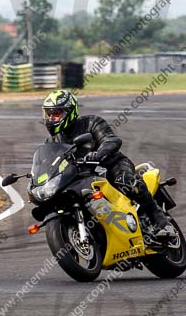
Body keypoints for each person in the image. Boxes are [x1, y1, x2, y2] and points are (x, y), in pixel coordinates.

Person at [41, 89, 175, 239]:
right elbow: (48, 163)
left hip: (111, 165)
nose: (52, 118)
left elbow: (112, 140)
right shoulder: (52, 142)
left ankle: (160, 221)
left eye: (56, 113)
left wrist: (98, 153)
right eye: (49, 114)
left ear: (69, 112)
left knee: (125, 181)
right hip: (82, 179)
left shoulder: (91, 122)